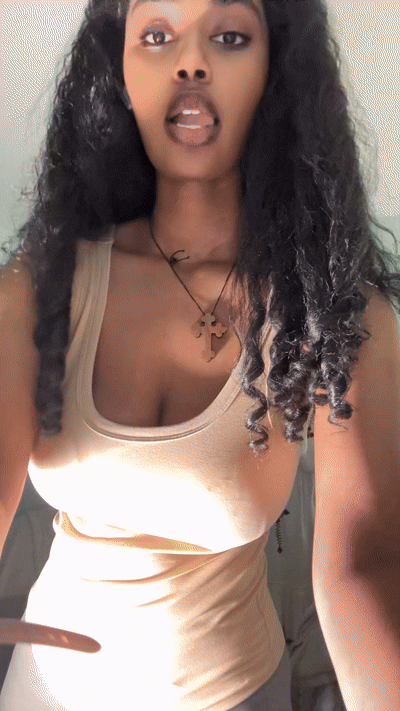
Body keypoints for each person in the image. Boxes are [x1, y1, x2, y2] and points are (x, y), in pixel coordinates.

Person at [0, 0, 399, 709]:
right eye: (157, 35)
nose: (190, 62)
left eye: (229, 35)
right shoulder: (47, 280)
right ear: (121, 71)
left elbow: (363, 566)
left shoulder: (333, 308)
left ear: (275, 69)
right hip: (41, 691)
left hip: (236, 694)